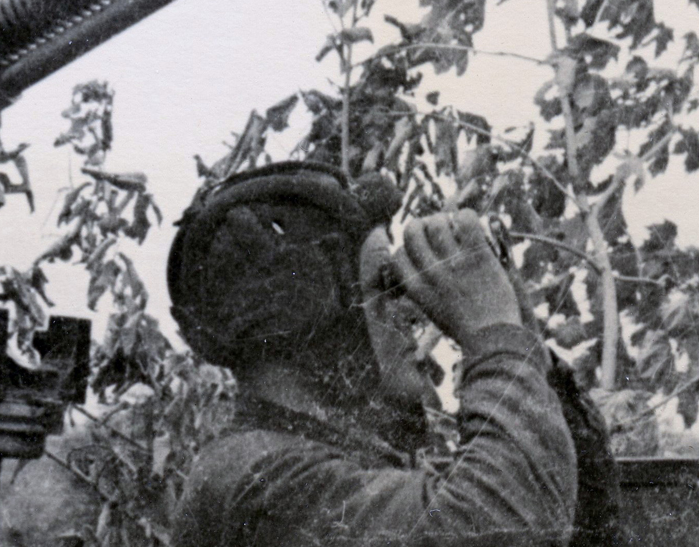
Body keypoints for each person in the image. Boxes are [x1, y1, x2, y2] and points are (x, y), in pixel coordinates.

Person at [167, 161, 614, 547]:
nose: (411, 309)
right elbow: (512, 525)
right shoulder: (264, 482)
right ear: (315, 319)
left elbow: (571, 517)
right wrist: (491, 335)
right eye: (384, 287)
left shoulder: (311, 461)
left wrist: (521, 339)